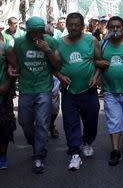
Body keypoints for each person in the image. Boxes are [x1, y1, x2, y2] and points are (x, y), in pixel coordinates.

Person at [7, 16, 60, 174]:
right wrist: (12, 67)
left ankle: (39, 157)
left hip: (44, 87)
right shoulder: (20, 42)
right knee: (24, 121)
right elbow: (12, 57)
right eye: (34, 32)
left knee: (43, 123)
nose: (37, 35)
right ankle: (35, 142)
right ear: (28, 31)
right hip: (26, 88)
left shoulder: (50, 41)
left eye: (40, 31)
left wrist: (47, 50)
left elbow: (57, 64)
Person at [55, 12, 101, 171]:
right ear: (66, 25)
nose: (73, 27)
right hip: (69, 91)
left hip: (88, 89)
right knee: (70, 122)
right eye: (70, 24)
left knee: (91, 120)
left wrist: (96, 76)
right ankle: (75, 153)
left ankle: (87, 142)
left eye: (76, 25)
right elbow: (54, 66)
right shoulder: (59, 43)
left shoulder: (92, 40)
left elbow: (99, 63)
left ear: (82, 26)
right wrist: (60, 77)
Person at [100, 16, 123, 166]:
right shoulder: (103, 45)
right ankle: (115, 150)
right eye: (112, 27)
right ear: (108, 29)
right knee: (114, 121)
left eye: (118, 27)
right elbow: (95, 61)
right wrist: (99, 65)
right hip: (110, 92)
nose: (115, 29)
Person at [0, 32, 16, 169]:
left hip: (2, 94)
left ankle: (2, 155)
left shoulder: (6, 49)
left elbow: (16, 67)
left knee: (4, 126)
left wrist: (8, 84)